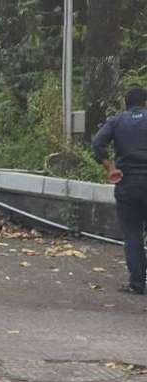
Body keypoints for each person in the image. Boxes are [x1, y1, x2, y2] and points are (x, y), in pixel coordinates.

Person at [93, 86, 147, 295]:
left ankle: (137, 284)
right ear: (145, 103)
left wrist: (110, 168)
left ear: (126, 104)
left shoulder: (117, 121)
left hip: (128, 185)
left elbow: (98, 143)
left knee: (133, 236)